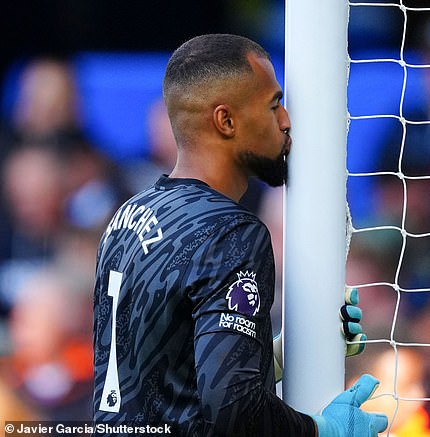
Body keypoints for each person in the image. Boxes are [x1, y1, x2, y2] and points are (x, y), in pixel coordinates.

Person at [93, 33, 388, 436]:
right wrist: (322, 430)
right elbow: (233, 412)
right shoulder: (230, 232)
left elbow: (168, 379)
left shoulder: (127, 216)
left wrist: (290, 350)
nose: (286, 120)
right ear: (226, 121)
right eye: (274, 105)